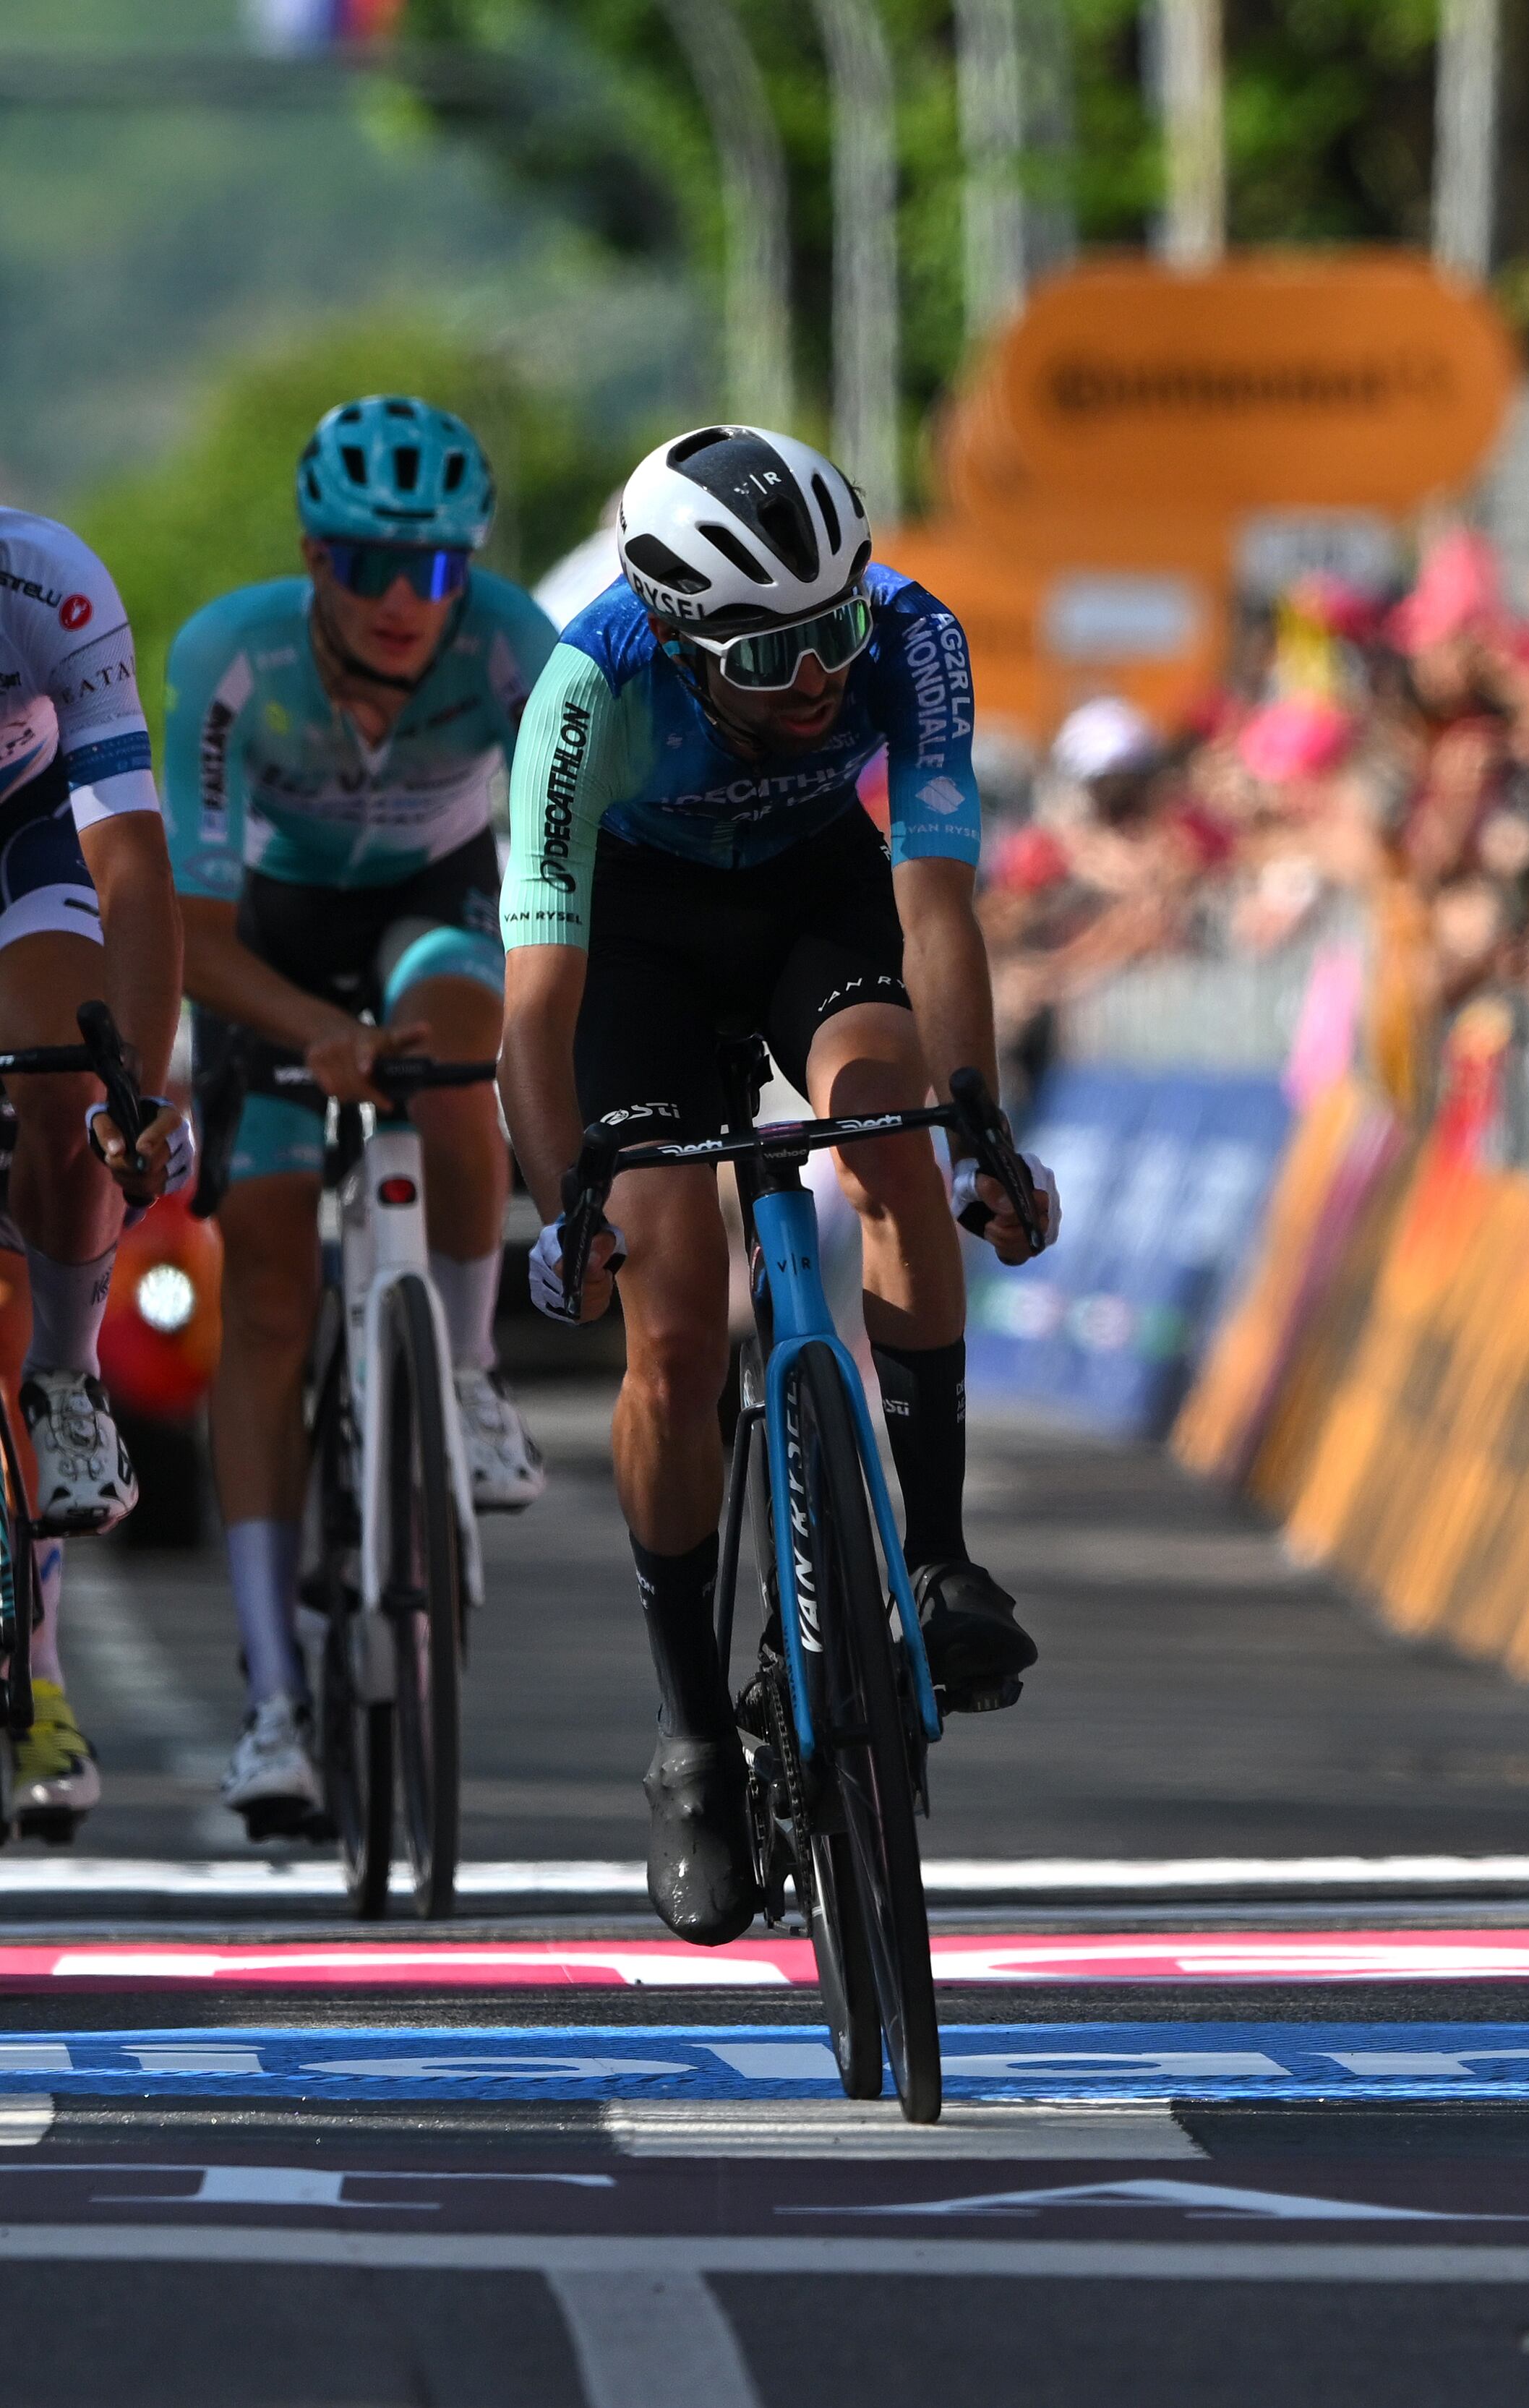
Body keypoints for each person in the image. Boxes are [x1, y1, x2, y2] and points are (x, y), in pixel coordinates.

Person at [497, 426, 1061, 1945]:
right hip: (641, 941)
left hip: (819, 892)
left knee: (887, 1130)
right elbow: (536, 1005)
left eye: (832, 636)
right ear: (678, 641)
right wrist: (565, 1202)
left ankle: (935, 1559)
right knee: (673, 1324)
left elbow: (936, 912)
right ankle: (690, 1731)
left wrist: (978, 1127)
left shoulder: (916, 636)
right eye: (764, 662)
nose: (815, 682)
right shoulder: (585, 687)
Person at [166, 395, 562, 1836]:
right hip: (262, 940)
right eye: (366, 564)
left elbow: (564, 870)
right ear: (311, 558)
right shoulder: (231, 654)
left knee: (466, 1041)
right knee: (268, 1280)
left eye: (436, 571)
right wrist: (312, 1032)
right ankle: (276, 1699)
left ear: (469, 571)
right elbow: (191, 932)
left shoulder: (518, 646)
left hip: (430, 910)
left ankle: (459, 1376)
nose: (405, 601)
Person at [0, 510, 197, 1838]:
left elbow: (130, 865)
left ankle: (65, 1377)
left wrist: (135, 1095)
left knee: (66, 1078)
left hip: (28, 853)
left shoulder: (51, 582)